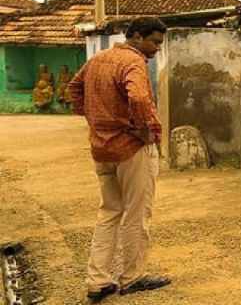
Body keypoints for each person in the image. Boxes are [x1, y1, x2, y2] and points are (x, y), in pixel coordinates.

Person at [67, 17, 170, 302]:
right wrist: (145, 129)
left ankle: (97, 281)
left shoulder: (98, 59)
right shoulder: (133, 61)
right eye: (154, 42)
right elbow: (138, 98)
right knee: (137, 213)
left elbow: (74, 88)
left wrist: (95, 119)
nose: (157, 48)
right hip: (131, 148)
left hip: (102, 147)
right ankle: (132, 277)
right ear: (136, 37)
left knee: (109, 212)